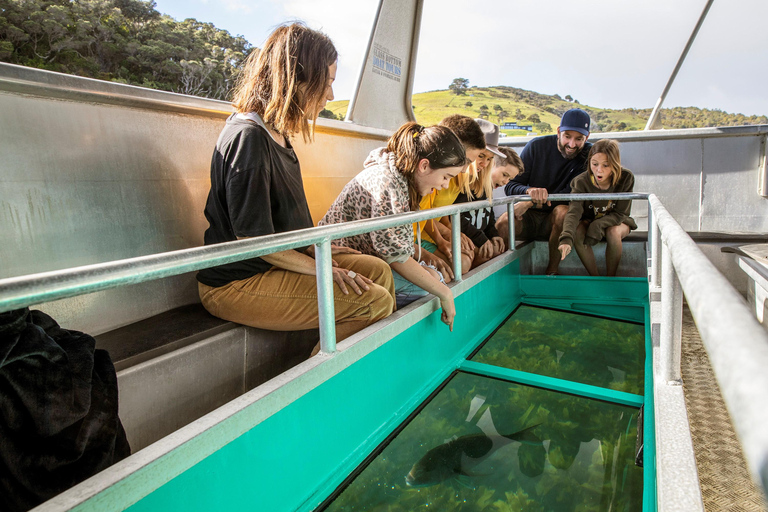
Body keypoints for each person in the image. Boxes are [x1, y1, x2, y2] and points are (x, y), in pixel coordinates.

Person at [196, 23, 395, 347]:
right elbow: (253, 238)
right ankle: (323, 386)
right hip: (237, 281)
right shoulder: (249, 139)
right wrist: (321, 268)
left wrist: (316, 249)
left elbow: (281, 223)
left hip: (271, 264)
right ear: (298, 78)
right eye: (327, 82)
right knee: (374, 301)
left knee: (378, 271)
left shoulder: (278, 135)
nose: (331, 94)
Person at [319, 122, 467, 328]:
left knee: (434, 276)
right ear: (424, 166)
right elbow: (395, 256)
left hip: (367, 257)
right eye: (446, 177)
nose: (445, 185)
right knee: (426, 288)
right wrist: (445, 294)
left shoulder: (400, 177)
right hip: (337, 260)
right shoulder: (388, 183)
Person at [496, 108, 593, 275]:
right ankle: (500, 274)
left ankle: (551, 272)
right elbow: (511, 186)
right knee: (504, 221)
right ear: (558, 132)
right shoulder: (536, 146)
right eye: (567, 137)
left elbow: (571, 195)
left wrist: (531, 201)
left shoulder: (589, 155)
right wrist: (529, 192)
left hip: (556, 220)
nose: (571, 145)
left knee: (564, 212)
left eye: (579, 139)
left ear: (587, 137)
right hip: (528, 217)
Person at [417, 116, 504, 275]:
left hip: (434, 232)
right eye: (479, 157)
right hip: (421, 235)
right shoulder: (438, 175)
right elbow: (424, 213)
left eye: (489, 159)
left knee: (480, 254)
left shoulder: (458, 177)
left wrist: (454, 234)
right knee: (462, 263)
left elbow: (442, 211)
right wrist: (447, 236)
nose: (483, 164)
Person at [558, 139, 637, 276]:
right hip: (590, 221)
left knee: (613, 232)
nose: (599, 170)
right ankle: (595, 278)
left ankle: (611, 278)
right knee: (578, 231)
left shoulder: (626, 177)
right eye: (594, 164)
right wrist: (566, 238)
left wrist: (598, 225)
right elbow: (574, 212)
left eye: (606, 165)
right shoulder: (580, 181)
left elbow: (621, 213)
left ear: (615, 164)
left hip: (618, 221)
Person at [455, 146, 524, 268]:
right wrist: (480, 239)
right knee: (486, 253)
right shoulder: (469, 186)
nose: (505, 182)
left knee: (497, 248)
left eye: (510, 179)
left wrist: (493, 234)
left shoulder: (488, 190)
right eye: (504, 175)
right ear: (491, 165)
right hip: (464, 237)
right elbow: (456, 217)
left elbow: (488, 215)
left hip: (476, 236)